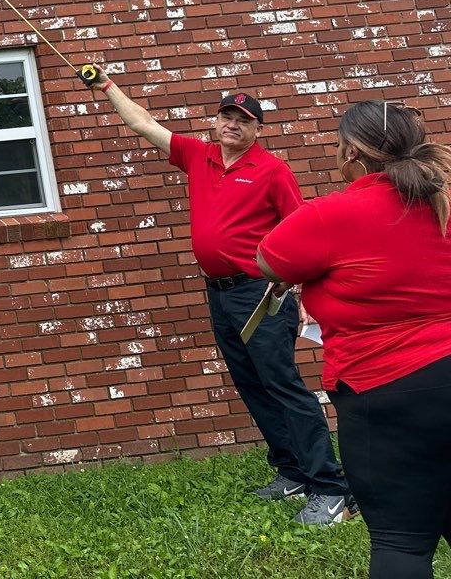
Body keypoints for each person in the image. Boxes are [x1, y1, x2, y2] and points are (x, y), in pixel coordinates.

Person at [81, 67, 351, 525]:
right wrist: (106, 86)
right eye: (227, 116)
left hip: (261, 293)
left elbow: (301, 230)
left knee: (282, 385)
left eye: (243, 120)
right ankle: (292, 472)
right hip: (220, 294)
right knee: (251, 383)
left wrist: (303, 289)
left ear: (257, 129)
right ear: (216, 120)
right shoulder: (198, 156)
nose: (233, 125)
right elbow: (143, 123)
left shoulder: (272, 171)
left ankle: (330, 487)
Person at [258, 101, 451, 577]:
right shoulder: (443, 202)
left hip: (385, 389)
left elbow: (269, 261)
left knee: (401, 542)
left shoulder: (331, 214)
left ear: (351, 153)